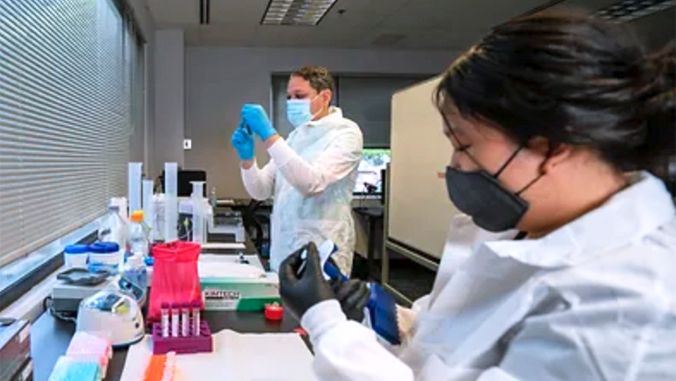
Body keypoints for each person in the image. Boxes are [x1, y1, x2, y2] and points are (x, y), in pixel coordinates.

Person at [278, 11, 676, 380]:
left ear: (553, 147)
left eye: (464, 146)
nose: (453, 166)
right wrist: (382, 316)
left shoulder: (623, 307)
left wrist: (324, 320)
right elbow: (450, 336)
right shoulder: (523, 224)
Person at [231, 66, 363, 273]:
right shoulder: (294, 139)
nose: (292, 103)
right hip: (284, 251)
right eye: (289, 97)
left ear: (325, 96)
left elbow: (312, 183)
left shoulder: (346, 133)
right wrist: (247, 159)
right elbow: (260, 190)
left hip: (322, 252)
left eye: (300, 96)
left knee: (320, 304)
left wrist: (268, 135)